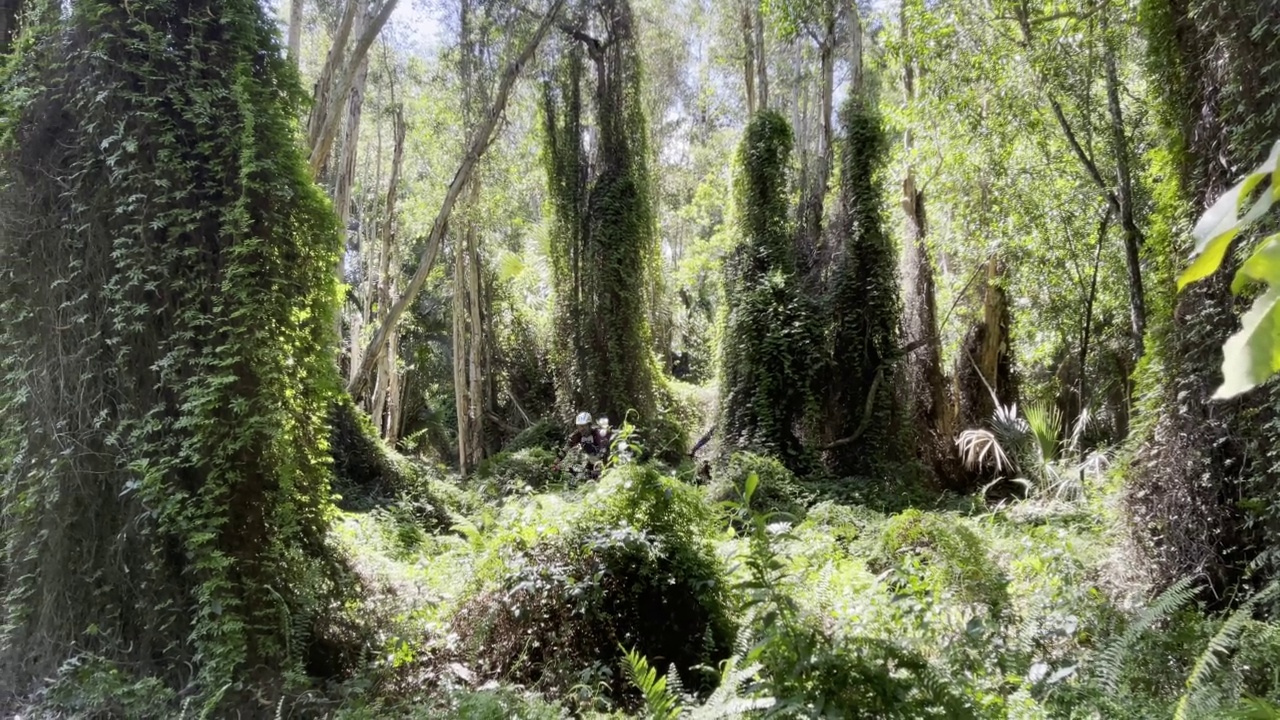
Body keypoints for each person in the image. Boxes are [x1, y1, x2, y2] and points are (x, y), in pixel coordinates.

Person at [560, 411, 611, 479]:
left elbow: (604, 453)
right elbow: (565, 450)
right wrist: (555, 464)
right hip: (591, 463)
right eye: (579, 426)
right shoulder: (577, 435)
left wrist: (599, 469)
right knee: (578, 477)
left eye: (584, 426)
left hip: (605, 463)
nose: (581, 429)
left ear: (590, 425)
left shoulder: (598, 434)